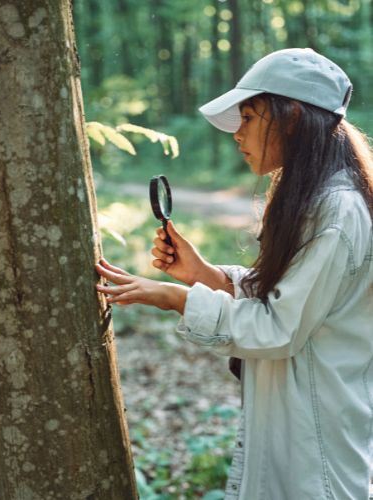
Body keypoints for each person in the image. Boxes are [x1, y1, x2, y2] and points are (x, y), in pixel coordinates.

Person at [95, 48, 373, 500]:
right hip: (298, 426)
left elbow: (279, 327)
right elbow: (290, 298)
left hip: (316, 444)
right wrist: (203, 274)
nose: (237, 134)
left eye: (248, 118)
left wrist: (174, 297)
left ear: (293, 118)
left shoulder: (335, 211)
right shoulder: (316, 200)